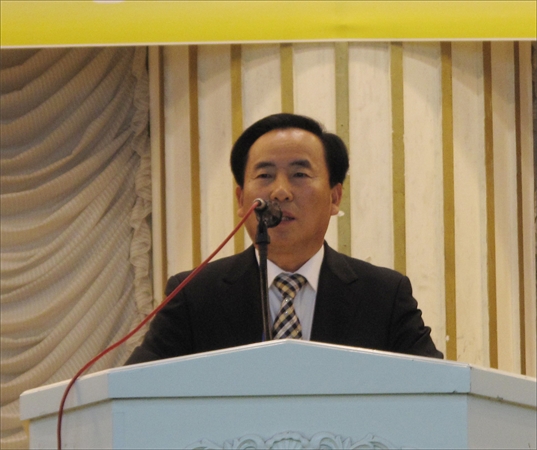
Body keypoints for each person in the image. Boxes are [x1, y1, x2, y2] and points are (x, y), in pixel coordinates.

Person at [125, 113, 442, 365]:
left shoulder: (383, 296)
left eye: (299, 175)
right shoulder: (193, 295)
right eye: (264, 176)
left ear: (335, 197)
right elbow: (135, 390)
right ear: (241, 200)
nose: (280, 192)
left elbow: (438, 391)